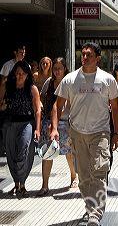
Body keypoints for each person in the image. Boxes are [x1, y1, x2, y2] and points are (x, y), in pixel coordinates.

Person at [50, 42, 118, 226]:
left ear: (98, 58)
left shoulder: (107, 79)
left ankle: (95, 214)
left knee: (98, 172)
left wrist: (116, 133)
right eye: (83, 54)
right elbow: (57, 106)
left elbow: (115, 107)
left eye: (89, 54)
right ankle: (90, 209)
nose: (85, 57)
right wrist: (55, 128)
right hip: (78, 133)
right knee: (83, 176)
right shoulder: (70, 79)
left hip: (101, 133)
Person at [37, 58, 77, 197]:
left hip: (65, 123)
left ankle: (73, 176)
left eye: (60, 68)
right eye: (55, 68)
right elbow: (42, 98)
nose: (57, 71)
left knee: (68, 153)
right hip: (48, 123)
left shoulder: (69, 83)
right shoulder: (49, 82)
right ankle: (45, 185)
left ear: (65, 68)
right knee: (47, 153)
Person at [4, 61, 41, 196]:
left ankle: (23, 182)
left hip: (27, 123)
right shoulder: (9, 87)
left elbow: (37, 110)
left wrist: (37, 129)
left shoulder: (32, 88)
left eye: (23, 74)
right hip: (11, 123)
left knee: (24, 151)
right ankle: (16, 184)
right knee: (11, 153)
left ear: (27, 75)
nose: (20, 76)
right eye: (18, 73)